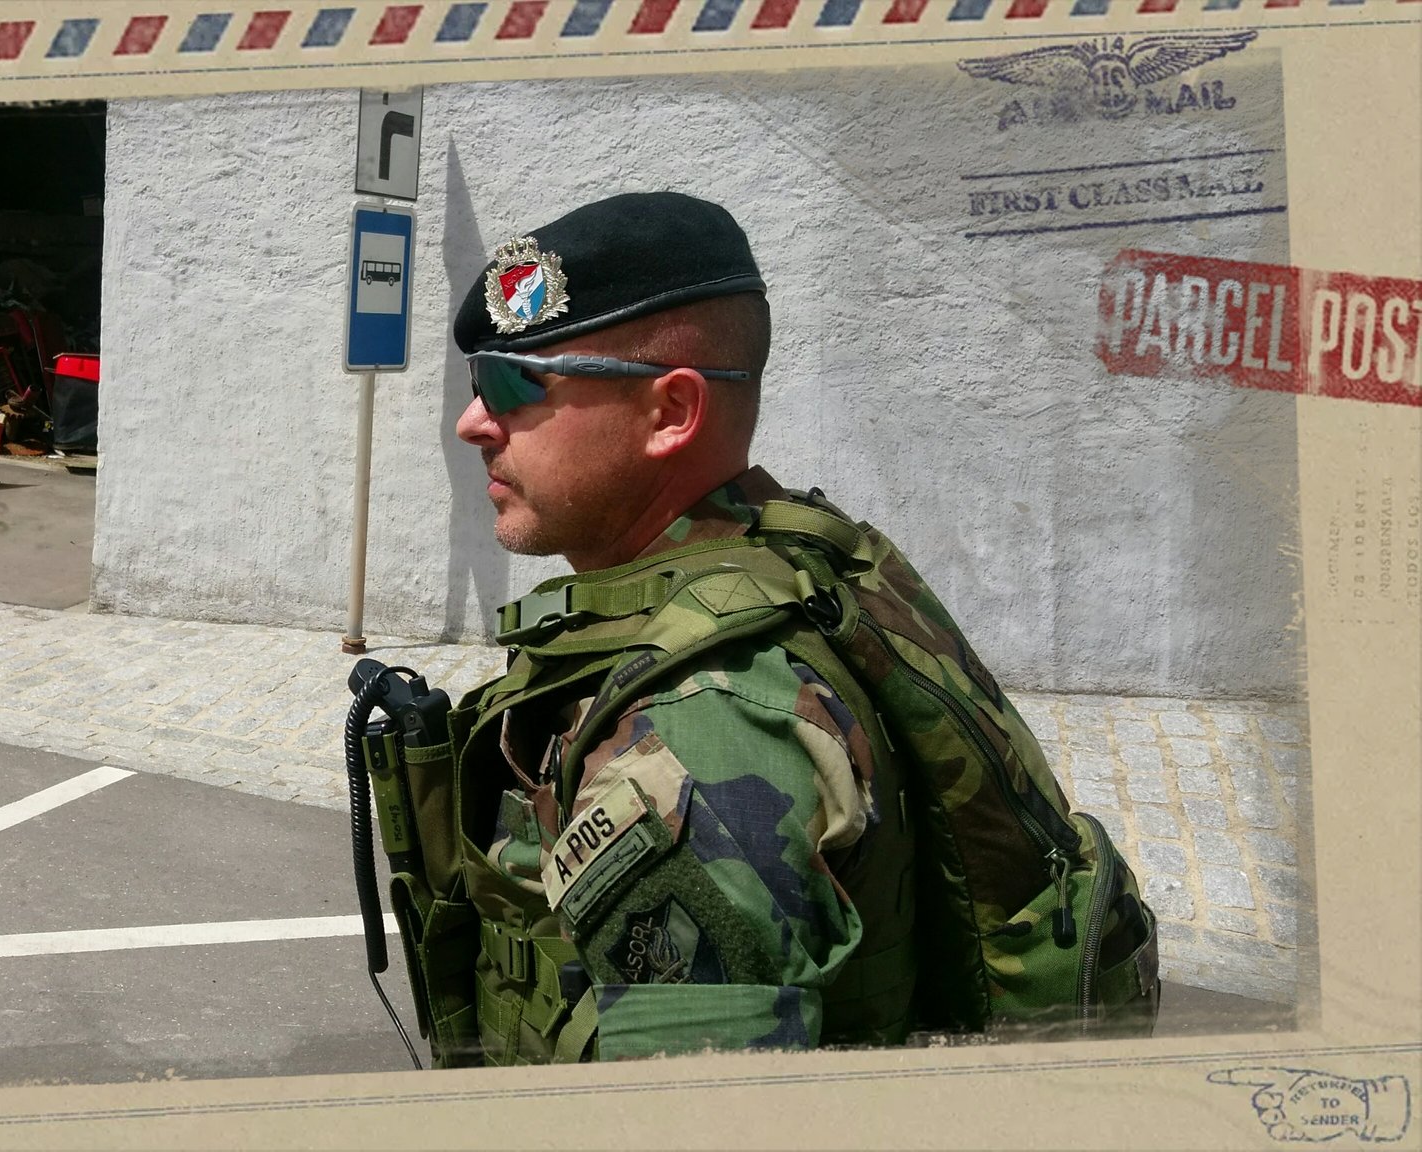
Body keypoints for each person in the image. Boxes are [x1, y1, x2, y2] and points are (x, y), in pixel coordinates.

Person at [388, 190, 1157, 1066]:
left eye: (511, 384)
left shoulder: (702, 729)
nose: (472, 422)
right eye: (477, 382)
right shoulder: (784, 556)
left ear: (671, 414)